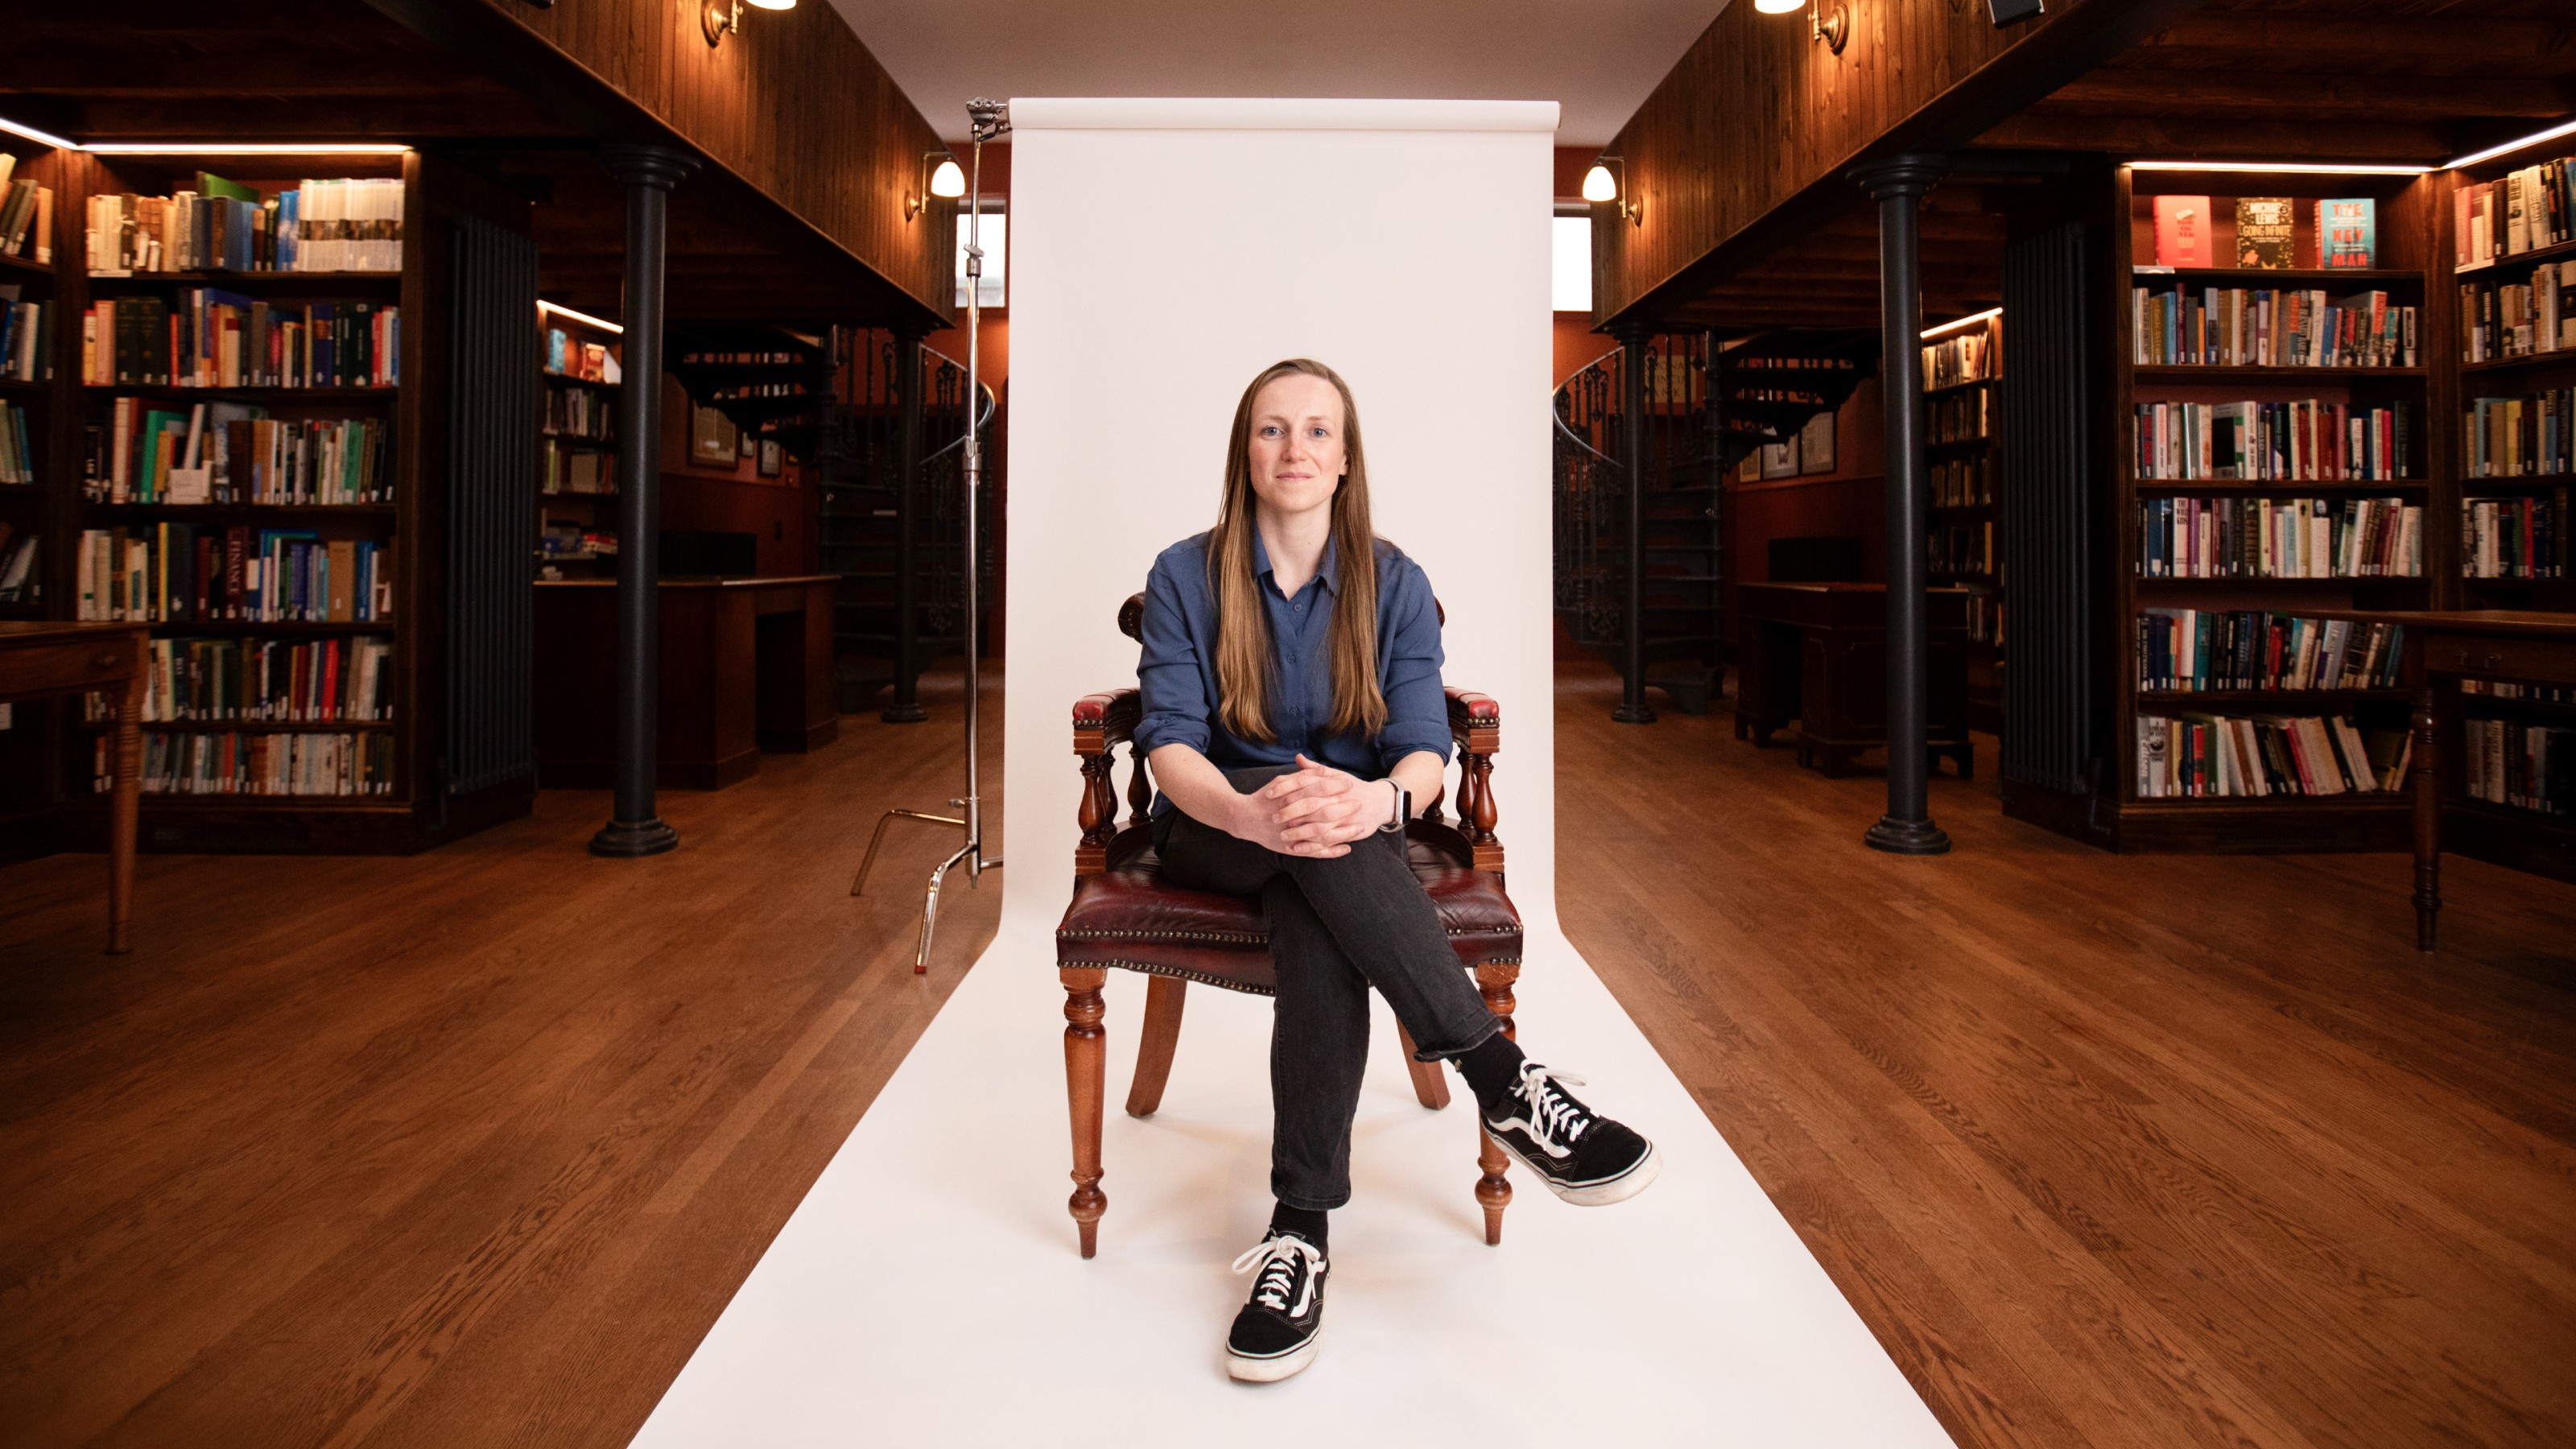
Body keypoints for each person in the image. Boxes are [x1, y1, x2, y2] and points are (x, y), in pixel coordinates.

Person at [1133, 357, 1661, 1383]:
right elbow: (1167, 747)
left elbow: (1423, 746)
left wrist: (1372, 801)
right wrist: (1251, 812)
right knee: (1304, 846)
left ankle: (1299, 1236)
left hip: (1348, 829)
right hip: (1211, 821)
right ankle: (1500, 1077)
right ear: (1244, 454)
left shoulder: (1396, 580)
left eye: (1317, 432)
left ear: (1345, 458)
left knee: (1316, 880)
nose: (1295, 450)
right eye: (1272, 430)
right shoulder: (1181, 574)